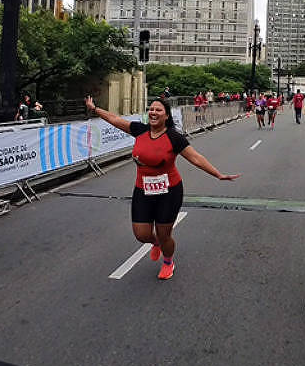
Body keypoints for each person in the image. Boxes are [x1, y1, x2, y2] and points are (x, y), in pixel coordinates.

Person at [84, 95, 240, 279]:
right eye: (151, 109)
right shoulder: (140, 130)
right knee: (142, 234)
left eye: (158, 110)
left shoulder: (174, 137)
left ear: (166, 116)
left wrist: (218, 174)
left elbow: (195, 158)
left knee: (165, 234)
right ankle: (155, 243)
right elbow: (115, 120)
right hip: (143, 189)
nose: (153, 112)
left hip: (169, 191)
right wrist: (95, 109)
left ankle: (168, 261)